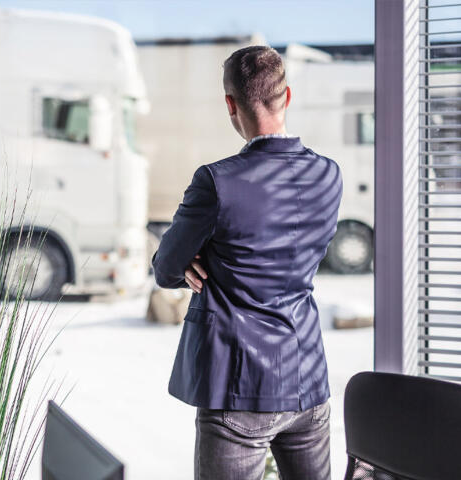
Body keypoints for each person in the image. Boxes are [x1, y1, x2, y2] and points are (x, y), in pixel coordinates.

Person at [151, 45, 343, 480]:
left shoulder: (216, 181)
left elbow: (165, 267)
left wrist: (189, 262)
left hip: (239, 388)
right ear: (287, 97)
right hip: (308, 381)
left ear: (230, 104)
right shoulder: (329, 175)